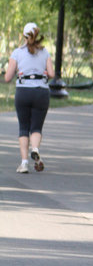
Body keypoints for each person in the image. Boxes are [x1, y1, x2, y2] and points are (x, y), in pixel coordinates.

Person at [5, 22, 55, 173]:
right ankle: (35, 149)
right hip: (41, 93)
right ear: (37, 34)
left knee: (23, 128)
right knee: (36, 128)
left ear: (24, 36)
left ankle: (24, 163)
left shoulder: (17, 52)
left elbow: (8, 77)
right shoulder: (45, 52)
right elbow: (52, 74)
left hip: (23, 92)